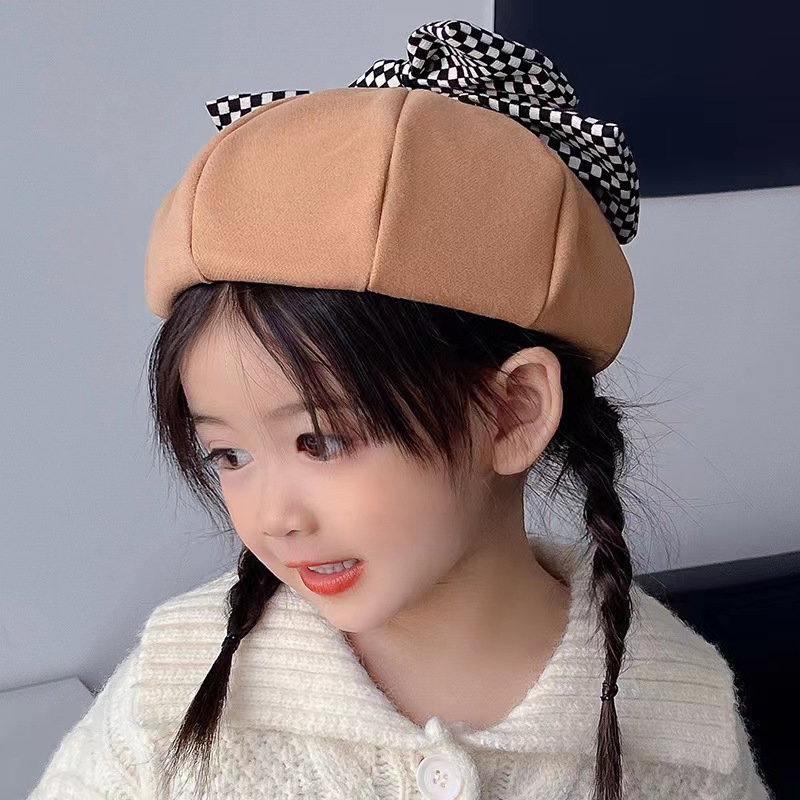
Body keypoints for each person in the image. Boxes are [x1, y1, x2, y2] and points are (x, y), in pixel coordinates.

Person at [28, 18, 772, 800]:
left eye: (320, 441)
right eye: (229, 456)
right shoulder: (172, 688)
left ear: (513, 412)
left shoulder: (681, 729)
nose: (275, 518)